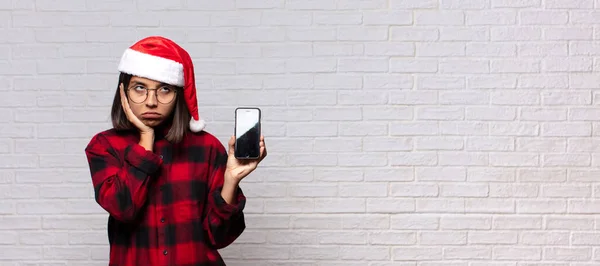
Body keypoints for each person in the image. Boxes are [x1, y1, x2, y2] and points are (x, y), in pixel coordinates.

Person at [84, 36, 267, 266]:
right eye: (139, 88)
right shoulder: (104, 146)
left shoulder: (206, 148)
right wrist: (146, 139)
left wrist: (231, 181)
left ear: (178, 94)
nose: (151, 101)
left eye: (164, 89)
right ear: (123, 92)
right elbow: (123, 208)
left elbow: (220, 237)